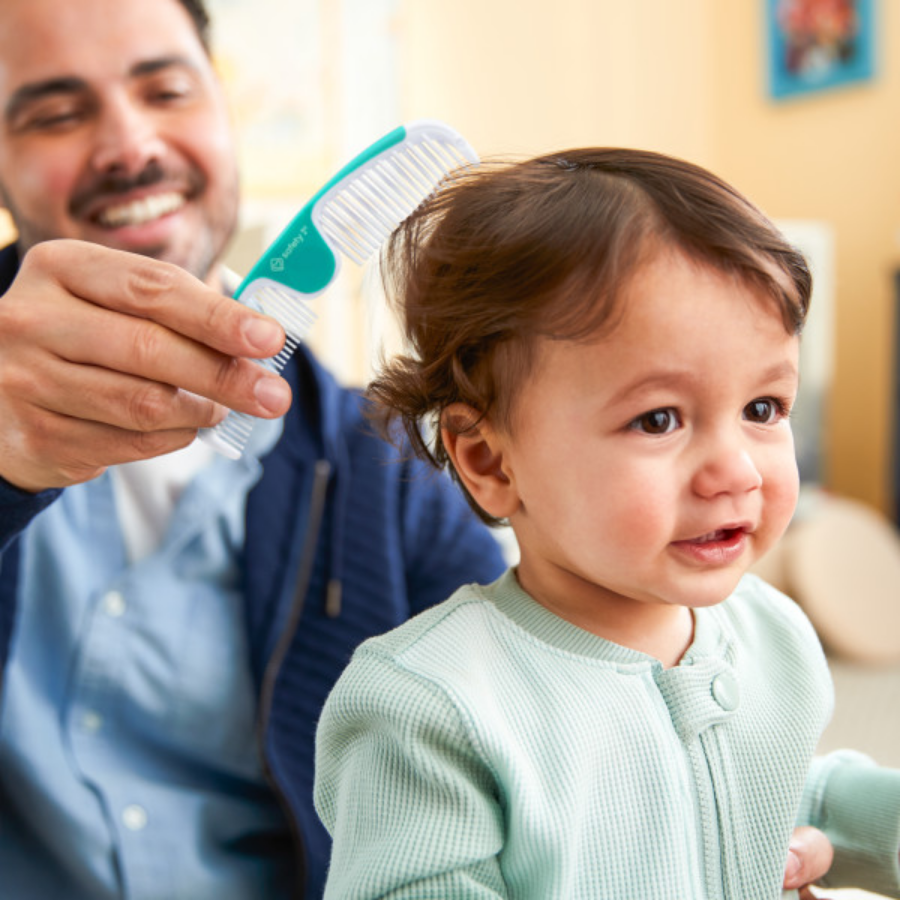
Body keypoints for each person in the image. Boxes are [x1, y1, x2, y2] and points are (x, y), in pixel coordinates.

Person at [0, 1, 508, 898]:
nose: (127, 144)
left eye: (165, 89)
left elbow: (531, 716)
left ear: (224, 110)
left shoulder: (390, 481)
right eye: (56, 112)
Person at [314, 150, 900, 898]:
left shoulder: (771, 635)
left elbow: (783, 794)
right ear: (491, 461)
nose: (738, 471)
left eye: (763, 409)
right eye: (659, 419)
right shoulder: (431, 709)